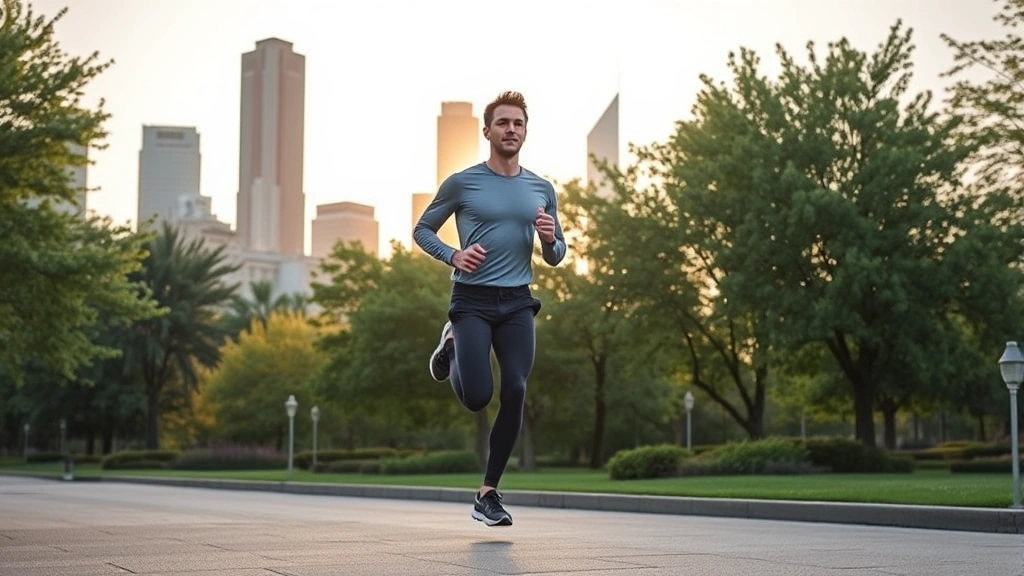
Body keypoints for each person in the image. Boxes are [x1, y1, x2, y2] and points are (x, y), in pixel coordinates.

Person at [413, 91, 567, 527]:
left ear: (525, 131)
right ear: (487, 131)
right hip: (472, 301)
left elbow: (556, 255)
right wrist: (452, 255)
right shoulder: (463, 183)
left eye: (518, 123)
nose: (510, 130)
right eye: (502, 123)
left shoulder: (541, 188)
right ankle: (452, 344)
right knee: (478, 396)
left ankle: (488, 492)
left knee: (516, 388)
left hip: (518, 301)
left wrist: (551, 237)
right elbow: (422, 229)